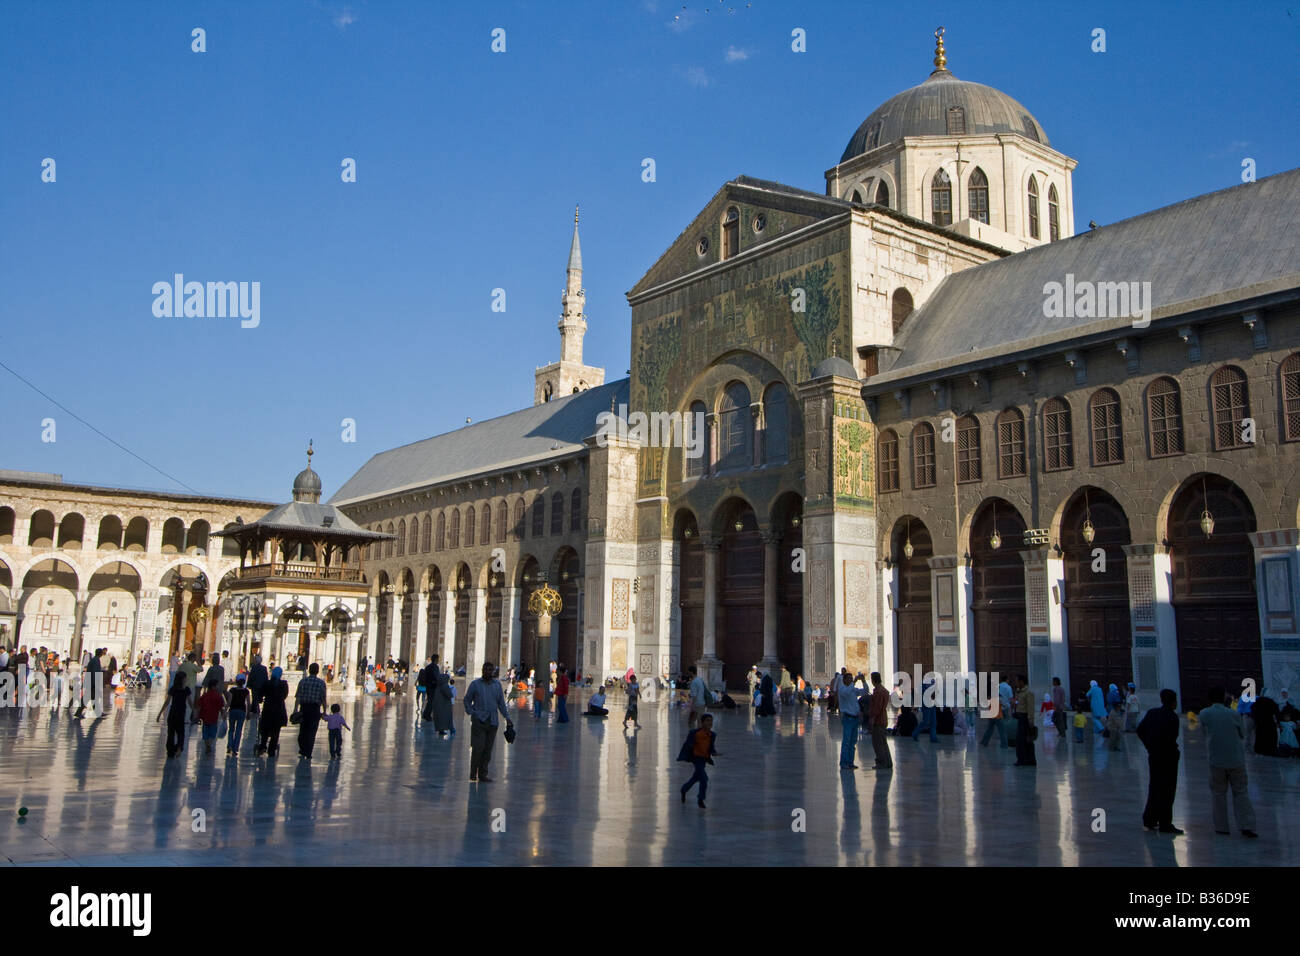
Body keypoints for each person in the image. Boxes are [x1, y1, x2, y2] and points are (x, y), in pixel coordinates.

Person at [1195, 686, 1259, 837]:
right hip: (1236, 759)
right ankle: (1246, 825)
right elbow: (1242, 734)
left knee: (1218, 794)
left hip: (1216, 759)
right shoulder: (1233, 714)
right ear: (1224, 698)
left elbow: (1205, 733)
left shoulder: (1204, 714)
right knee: (1241, 792)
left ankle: (1221, 827)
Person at [1137, 688, 1183, 834]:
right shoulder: (1172, 717)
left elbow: (1140, 730)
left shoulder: (1152, 713)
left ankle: (1149, 819)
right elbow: (1172, 737)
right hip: (1168, 757)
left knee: (1155, 787)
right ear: (1173, 701)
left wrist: (1149, 746)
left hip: (1155, 756)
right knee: (1168, 790)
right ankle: (1165, 823)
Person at [464, 662, 511, 782]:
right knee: (477, 748)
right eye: (486, 669)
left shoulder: (497, 685)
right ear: (482, 670)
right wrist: (472, 712)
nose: (488, 672)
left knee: (487, 749)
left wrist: (507, 717)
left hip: (492, 721)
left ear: (493, 671)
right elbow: (467, 699)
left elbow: (501, 703)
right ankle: (473, 773)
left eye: (490, 670)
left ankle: (483, 774)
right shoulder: (475, 684)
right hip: (479, 720)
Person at [677, 713, 720, 809]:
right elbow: (688, 745)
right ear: (702, 722)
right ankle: (701, 799)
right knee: (704, 779)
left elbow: (711, 747)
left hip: (704, 759)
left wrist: (714, 753)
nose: (710, 723)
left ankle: (684, 789)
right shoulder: (695, 734)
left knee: (696, 778)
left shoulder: (712, 735)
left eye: (711, 720)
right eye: (707, 720)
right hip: (696, 759)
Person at [294, 662, 328, 760]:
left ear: (309, 670)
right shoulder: (321, 683)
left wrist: (295, 709)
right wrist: (324, 711)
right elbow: (323, 698)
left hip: (304, 708)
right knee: (312, 732)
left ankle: (303, 749)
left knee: (303, 731)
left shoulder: (303, 681)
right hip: (315, 709)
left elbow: (298, 697)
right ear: (317, 671)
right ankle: (308, 751)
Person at [256, 667, 290, 757]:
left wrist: (260, 700)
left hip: (268, 709)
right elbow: (284, 695)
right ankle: (271, 750)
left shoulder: (267, 683)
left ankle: (263, 746)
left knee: (265, 730)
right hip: (279, 711)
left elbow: (260, 694)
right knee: (276, 731)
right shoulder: (283, 684)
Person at [157, 670, 192, 758]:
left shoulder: (173, 688)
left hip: (172, 713)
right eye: (185, 678)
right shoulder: (186, 690)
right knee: (181, 733)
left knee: (171, 733)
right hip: (181, 714)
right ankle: (179, 748)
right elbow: (190, 702)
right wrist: (195, 712)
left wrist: (160, 713)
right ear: (183, 679)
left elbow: (167, 702)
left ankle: (170, 750)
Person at [865, 672, 893, 769]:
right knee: (883, 742)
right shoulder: (884, 690)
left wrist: (872, 719)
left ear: (873, 680)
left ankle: (881, 762)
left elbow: (877, 708)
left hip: (878, 720)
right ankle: (888, 762)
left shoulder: (878, 692)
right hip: (883, 718)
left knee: (878, 743)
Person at [837, 671, 862, 769]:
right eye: (849, 679)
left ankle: (850, 762)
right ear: (844, 680)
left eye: (852, 678)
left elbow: (864, 691)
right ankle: (844, 763)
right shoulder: (842, 689)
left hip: (855, 719)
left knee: (853, 742)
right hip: (848, 718)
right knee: (846, 742)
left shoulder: (853, 689)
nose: (851, 680)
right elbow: (846, 693)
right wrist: (854, 682)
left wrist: (863, 681)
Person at [196, 681, 227, 756]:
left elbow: (199, 706)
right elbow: (221, 707)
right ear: (213, 686)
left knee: (205, 733)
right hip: (214, 717)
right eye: (216, 686)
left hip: (205, 717)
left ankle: (207, 745)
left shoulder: (204, 696)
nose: (217, 687)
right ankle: (209, 744)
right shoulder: (218, 696)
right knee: (212, 733)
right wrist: (223, 715)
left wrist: (197, 716)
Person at [1014, 675, 1036, 767]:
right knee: (1020, 740)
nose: (1016, 683)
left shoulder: (1028, 693)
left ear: (1022, 682)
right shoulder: (1019, 692)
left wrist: (1031, 720)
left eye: (1017, 681)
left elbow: (1030, 708)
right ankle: (1022, 759)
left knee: (1025, 740)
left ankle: (1026, 759)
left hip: (1025, 718)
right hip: (1020, 717)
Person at [226, 675, 250, 756]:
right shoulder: (246, 691)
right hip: (241, 711)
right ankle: (235, 748)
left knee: (231, 729)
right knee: (239, 730)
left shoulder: (232, 690)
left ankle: (229, 745)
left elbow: (229, 701)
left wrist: (225, 710)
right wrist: (248, 713)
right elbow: (248, 703)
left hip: (233, 710)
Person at [1252, 690, 1280, 756]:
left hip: (1260, 723)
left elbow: (1253, 710)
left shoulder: (1258, 701)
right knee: (1270, 737)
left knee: (1260, 736)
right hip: (1269, 723)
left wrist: (1256, 719)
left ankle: (1259, 750)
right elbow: (1276, 712)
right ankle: (1270, 750)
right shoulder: (1271, 702)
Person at [911, 676, 939, 742]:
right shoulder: (922, 686)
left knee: (933, 721)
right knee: (926, 721)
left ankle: (933, 737)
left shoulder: (932, 682)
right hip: (925, 705)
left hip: (932, 704)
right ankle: (915, 734)